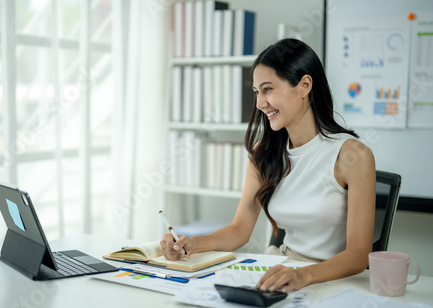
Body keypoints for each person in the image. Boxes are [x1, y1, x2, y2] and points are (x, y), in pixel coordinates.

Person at [160, 38, 376, 293]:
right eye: (256, 92)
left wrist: (303, 275)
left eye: (268, 89)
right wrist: (191, 244)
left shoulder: (352, 156)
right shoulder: (264, 153)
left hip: (332, 280)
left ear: (304, 85)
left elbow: (358, 255)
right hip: (282, 271)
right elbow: (239, 230)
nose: (260, 103)